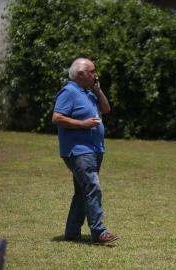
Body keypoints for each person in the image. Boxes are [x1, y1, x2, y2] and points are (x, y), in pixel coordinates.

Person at [52, 58, 118, 243]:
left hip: (95, 150)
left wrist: (97, 90)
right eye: (92, 71)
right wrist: (83, 124)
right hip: (79, 151)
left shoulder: (88, 93)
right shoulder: (69, 92)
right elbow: (57, 118)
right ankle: (99, 231)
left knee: (83, 191)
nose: (96, 74)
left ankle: (72, 233)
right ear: (81, 74)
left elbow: (106, 108)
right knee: (92, 187)